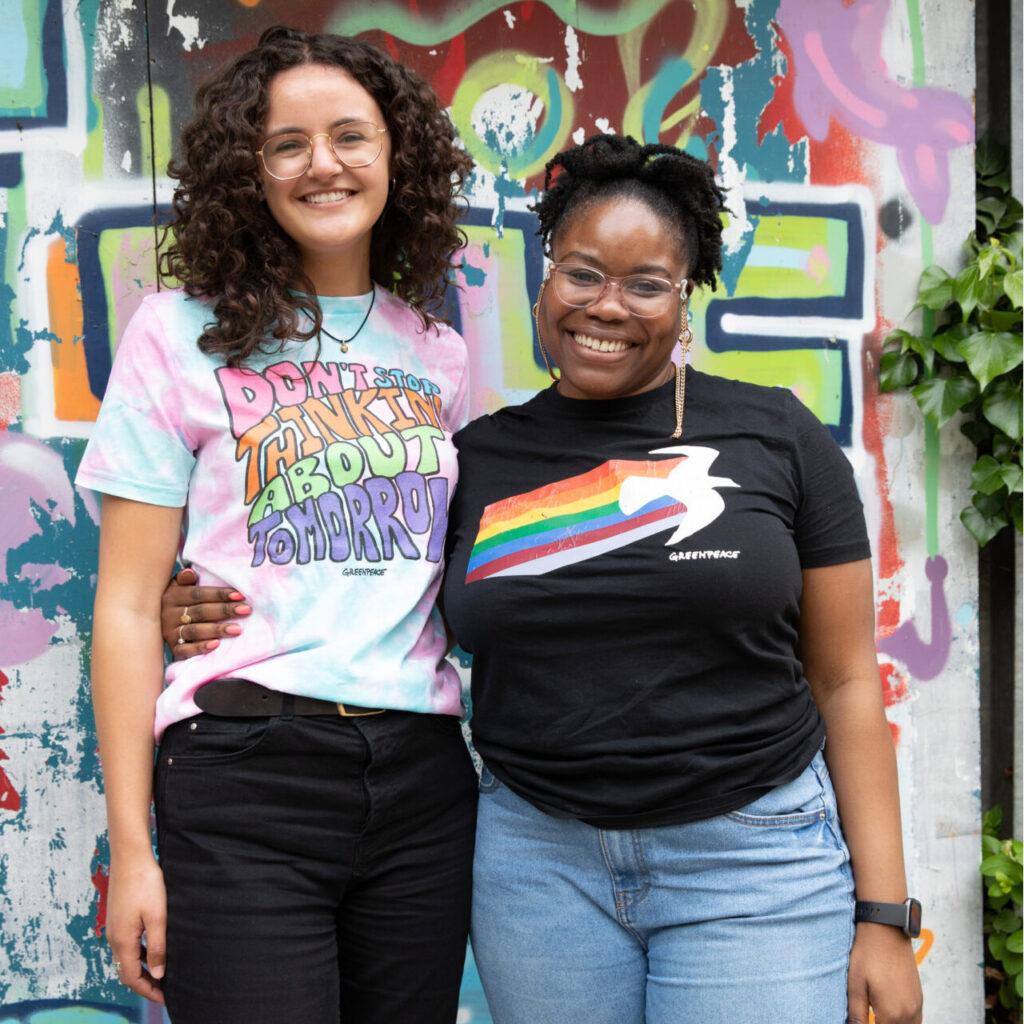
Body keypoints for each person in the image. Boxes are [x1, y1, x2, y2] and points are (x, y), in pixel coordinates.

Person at [162, 134, 924, 1024]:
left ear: (686, 299)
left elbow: (843, 683)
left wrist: (883, 916)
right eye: (582, 273)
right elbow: (365, 580)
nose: (608, 306)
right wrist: (203, 600)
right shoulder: (474, 459)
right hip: (538, 866)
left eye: (646, 284)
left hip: (751, 858)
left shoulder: (776, 438)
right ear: (545, 279)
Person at [76, 25, 477, 1024]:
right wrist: (133, 850)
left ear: (398, 157)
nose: (322, 163)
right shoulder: (179, 332)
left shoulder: (438, 353)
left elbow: (449, 571)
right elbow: (127, 606)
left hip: (423, 780)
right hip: (247, 772)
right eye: (285, 143)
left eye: (350, 135)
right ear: (245, 171)